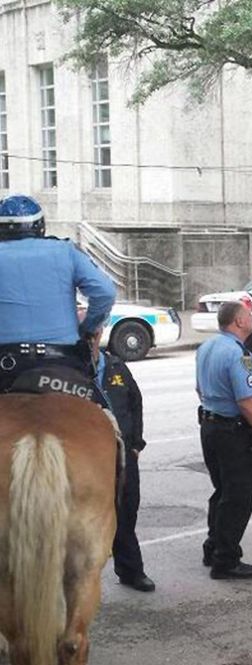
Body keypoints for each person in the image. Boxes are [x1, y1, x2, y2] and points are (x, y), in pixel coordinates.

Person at [196, 301, 252, 580]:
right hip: (233, 434)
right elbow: (247, 402)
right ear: (238, 322)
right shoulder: (241, 356)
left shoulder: (207, 347)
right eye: (248, 315)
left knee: (221, 492)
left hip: (210, 427)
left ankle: (213, 547)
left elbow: (200, 388)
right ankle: (226, 560)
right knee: (237, 498)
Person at [0, 194, 115, 393]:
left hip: (6, 365)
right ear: (40, 226)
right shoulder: (66, 251)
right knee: (104, 408)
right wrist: (88, 327)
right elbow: (105, 292)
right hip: (63, 362)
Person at [92, 329, 154, 592]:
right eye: (86, 335)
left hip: (124, 454)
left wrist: (136, 443)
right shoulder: (73, 370)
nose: (91, 340)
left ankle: (130, 571)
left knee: (127, 511)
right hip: (91, 457)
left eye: (94, 334)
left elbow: (135, 402)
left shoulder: (116, 365)